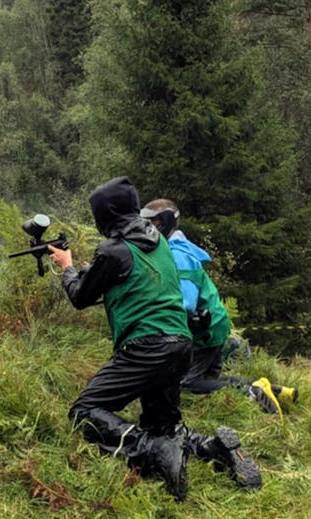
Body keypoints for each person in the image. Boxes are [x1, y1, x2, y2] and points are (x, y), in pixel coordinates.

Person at [46, 177, 261, 500]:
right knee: (165, 426)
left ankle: (151, 451)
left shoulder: (112, 249)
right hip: (179, 346)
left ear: (105, 215)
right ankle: (214, 448)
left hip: (145, 347)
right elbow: (132, 279)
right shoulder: (161, 243)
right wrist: (92, 269)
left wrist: (68, 266)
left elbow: (80, 296)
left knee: (85, 411)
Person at [140, 199, 298, 417]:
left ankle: (252, 392)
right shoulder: (171, 249)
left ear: (166, 222)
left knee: (188, 383)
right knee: (210, 379)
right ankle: (277, 391)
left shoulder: (178, 255)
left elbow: (185, 304)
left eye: (153, 222)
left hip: (205, 329)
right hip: (212, 325)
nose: (148, 227)